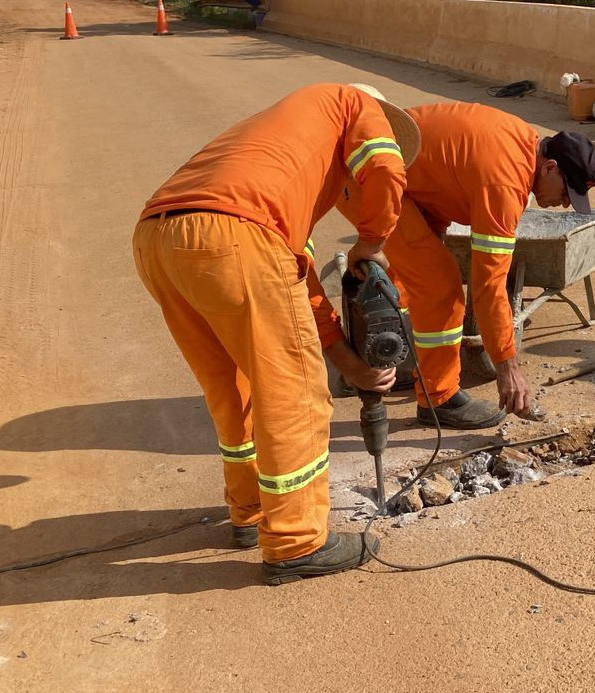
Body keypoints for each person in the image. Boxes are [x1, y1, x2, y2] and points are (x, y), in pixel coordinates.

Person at [133, 82, 418, 584]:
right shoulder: (352, 103)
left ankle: (249, 511)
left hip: (159, 239)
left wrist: (351, 366)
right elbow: (387, 167)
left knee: (233, 385)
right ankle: (296, 541)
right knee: (295, 393)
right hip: (233, 236)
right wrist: (372, 242)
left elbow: (298, 284)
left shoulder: (274, 158)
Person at [333, 104, 595, 428]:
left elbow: (442, 177)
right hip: (368, 178)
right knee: (440, 286)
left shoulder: (521, 141)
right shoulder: (504, 183)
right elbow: (488, 284)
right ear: (549, 167)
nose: (565, 203)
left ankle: (372, 363)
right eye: (567, 192)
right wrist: (507, 368)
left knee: (414, 271)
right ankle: (439, 398)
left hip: (380, 170)